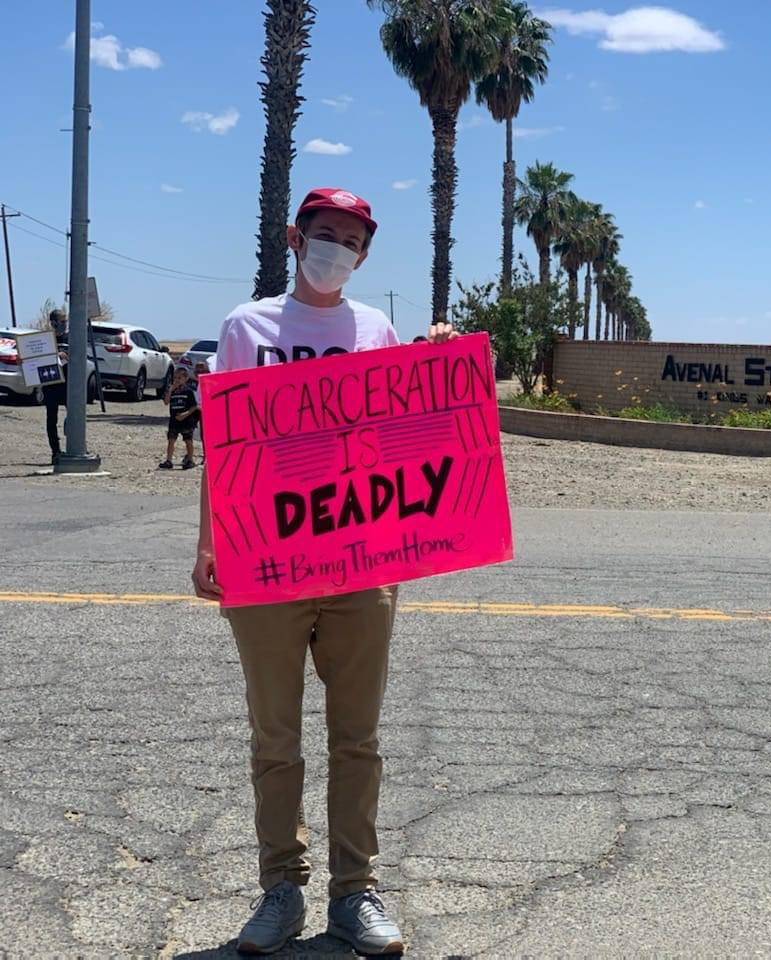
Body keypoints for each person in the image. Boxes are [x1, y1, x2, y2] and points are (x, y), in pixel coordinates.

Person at [191, 187, 456, 956]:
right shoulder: (249, 326)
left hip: (362, 557)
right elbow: (226, 443)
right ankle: (280, 888)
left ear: (366, 255)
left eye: (351, 240)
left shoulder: (375, 328)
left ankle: (355, 892)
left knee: (358, 737)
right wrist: (208, 543)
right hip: (267, 556)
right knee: (274, 737)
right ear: (293, 237)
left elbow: (409, 432)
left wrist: (437, 364)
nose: (336, 248)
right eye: (325, 234)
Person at [42, 310, 69, 466]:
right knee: (51, 419)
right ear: (53, 323)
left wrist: (65, 355)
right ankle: (55, 451)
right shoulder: (44, 340)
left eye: (65, 321)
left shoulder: (71, 338)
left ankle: (74, 446)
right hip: (50, 384)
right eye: (61, 321)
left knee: (74, 416)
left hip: (68, 385)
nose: (64, 324)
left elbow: (79, 356)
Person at [159, 366, 198, 470]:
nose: (177, 380)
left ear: (185, 379)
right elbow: (166, 402)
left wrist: (185, 414)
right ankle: (169, 460)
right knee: (171, 440)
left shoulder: (188, 392)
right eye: (175, 378)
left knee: (188, 440)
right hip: (174, 420)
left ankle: (190, 459)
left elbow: (194, 406)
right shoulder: (172, 391)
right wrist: (170, 390)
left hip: (186, 420)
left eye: (180, 378)